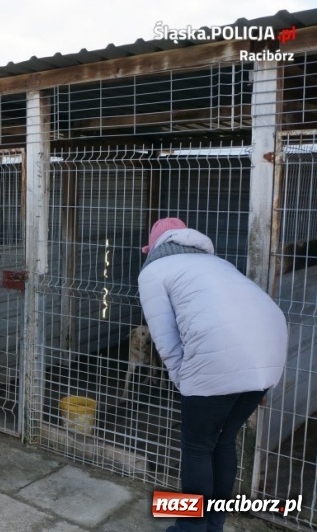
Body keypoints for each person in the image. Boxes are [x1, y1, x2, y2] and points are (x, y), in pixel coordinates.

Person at [137, 217, 288, 532]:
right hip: (270, 357)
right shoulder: (219, 264)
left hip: (219, 361)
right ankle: (214, 524)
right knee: (224, 441)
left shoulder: (154, 272)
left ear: (154, 248)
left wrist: (186, 383)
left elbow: (165, 340)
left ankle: (191, 528)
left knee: (197, 446)